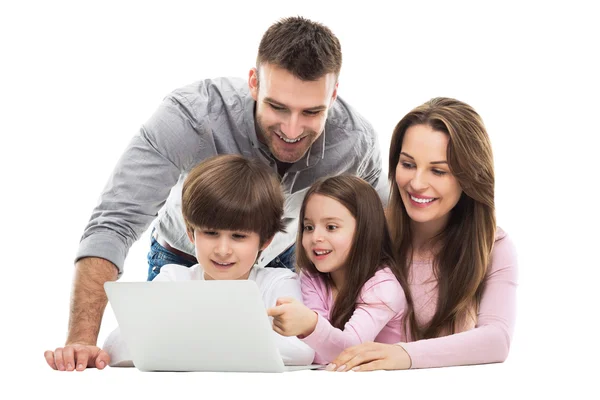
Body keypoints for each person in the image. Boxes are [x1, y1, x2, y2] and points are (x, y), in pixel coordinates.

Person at [44, 16, 387, 371]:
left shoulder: (355, 140)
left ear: (333, 94)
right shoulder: (190, 117)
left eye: (312, 112)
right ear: (254, 83)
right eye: (278, 107)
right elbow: (115, 222)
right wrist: (82, 340)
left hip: (280, 262)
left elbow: (384, 229)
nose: (292, 129)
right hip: (181, 257)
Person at [51, 155, 316, 369]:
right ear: (191, 233)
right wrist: (235, 340)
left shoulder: (278, 284)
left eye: (238, 236)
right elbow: (117, 345)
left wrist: (183, 338)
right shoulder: (173, 278)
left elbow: (304, 349)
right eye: (210, 233)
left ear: (265, 241)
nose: (223, 250)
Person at [326, 97, 519, 371]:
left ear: (469, 177)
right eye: (408, 164)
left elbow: (497, 340)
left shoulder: (495, 247)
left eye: (438, 171)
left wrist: (403, 355)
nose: (417, 183)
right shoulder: (366, 230)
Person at [267, 175, 409, 364]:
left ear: (365, 231)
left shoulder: (383, 287)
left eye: (331, 227)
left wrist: (309, 324)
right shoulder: (312, 277)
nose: (316, 236)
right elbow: (315, 352)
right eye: (308, 227)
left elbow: (348, 351)